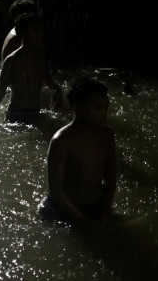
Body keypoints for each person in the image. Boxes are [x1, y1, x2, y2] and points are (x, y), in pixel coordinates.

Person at [39, 77, 116, 225]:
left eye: (106, 106)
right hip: (63, 209)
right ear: (76, 108)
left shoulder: (107, 136)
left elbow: (111, 180)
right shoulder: (62, 140)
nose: (104, 112)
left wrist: (104, 213)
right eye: (98, 108)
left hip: (93, 206)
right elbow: (56, 192)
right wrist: (83, 221)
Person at [0, 13, 62, 124]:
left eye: (40, 30)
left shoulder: (41, 53)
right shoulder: (12, 60)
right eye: (35, 30)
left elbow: (45, 77)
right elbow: (1, 90)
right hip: (16, 113)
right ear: (22, 34)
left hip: (35, 111)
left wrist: (57, 90)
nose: (40, 34)